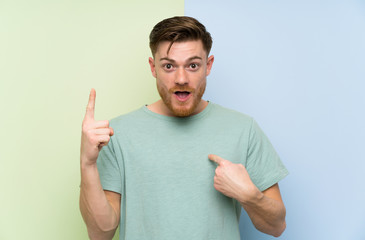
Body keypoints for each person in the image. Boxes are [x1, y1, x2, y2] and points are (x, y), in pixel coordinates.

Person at [79, 16, 289, 240]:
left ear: (208, 66)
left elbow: (276, 227)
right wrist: (87, 163)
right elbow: (100, 234)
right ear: (153, 68)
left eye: (193, 65)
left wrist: (249, 196)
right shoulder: (116, 134)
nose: (181, 78)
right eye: (169, 66)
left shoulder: (243, 129)